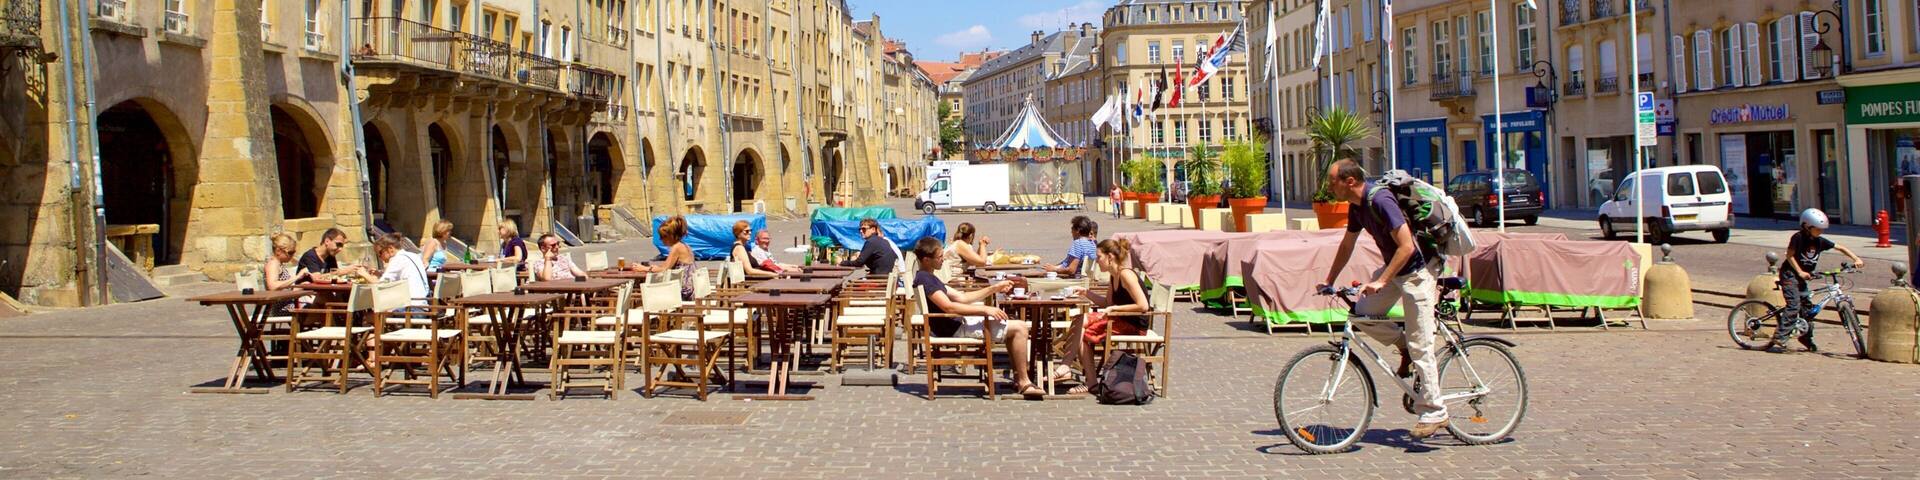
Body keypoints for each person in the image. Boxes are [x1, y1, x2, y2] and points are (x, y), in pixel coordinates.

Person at [1316, 159, 1449, 439]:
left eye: (1332, 181)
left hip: (1418, 271)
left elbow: (1406, 246)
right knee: (1361, 315)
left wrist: (1381, 281)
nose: (1329, 186)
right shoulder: (1357, 207)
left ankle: (1435, 410)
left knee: (1421, 344)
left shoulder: (1381, 201)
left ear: (1349, 181)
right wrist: (1329, 280)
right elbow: (1347, 244)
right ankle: (1403, 347)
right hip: (1396, 271)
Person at [910, 237, 1044, 397]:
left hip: (955, 324)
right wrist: (985, 311)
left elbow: (962, 297)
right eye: (939, 257)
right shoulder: (926, 280)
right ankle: (1024, 381)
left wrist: (993, 288)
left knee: (1011, 325)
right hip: (954, 329)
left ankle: (1018, 377)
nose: (943, 259)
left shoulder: (928, 277)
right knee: (1020, 327)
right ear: (926, 260)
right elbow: (949, 307)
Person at [1063, 238, 1152, 393]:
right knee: (1082, 328)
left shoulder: (1126, 275)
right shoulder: (1114, 275)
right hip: (1119, 320)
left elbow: (1143, 305)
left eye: (1099, 257)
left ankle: (1067, 366)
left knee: (1082, 320)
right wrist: (1086, 292)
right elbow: (1106, 303)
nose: (1097, 261)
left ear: (1110, 257)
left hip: (1134, 324)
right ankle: (1089, 382)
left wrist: (1114, 309)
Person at [1774, 209, 1864, 354]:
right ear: (1807, 226)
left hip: (1803, 276)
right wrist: (1800, 272)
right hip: (1789, 274)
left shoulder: (1819, 241)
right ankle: (1780, 336)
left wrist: (1856, 259)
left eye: (1822, 229)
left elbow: (1840, 247)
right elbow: (1790, 256)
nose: (1820, 232)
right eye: (1817, 229)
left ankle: (1805, 338)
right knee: (1794, 305)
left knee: (1807, 310)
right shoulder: (1798, 238)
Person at [347, 233, 430, 305]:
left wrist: (364, 274)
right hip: (423, 304)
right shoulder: (413, 256)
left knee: (368, 317)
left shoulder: (397, 259)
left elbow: (381, 286)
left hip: (410, 307)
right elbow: (401, 278)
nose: (380, 257)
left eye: (380, 253)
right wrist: (381, 274)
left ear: (390, 249)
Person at [643, 215, 700, 300]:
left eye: (663, 236)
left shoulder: (676, 248)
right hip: (693, 287)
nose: (661, 239)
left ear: (671, 236)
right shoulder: (685, 245)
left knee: (648, 293)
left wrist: (644, 268)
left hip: (685, 290)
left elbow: (664, 269)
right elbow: (666, 265)